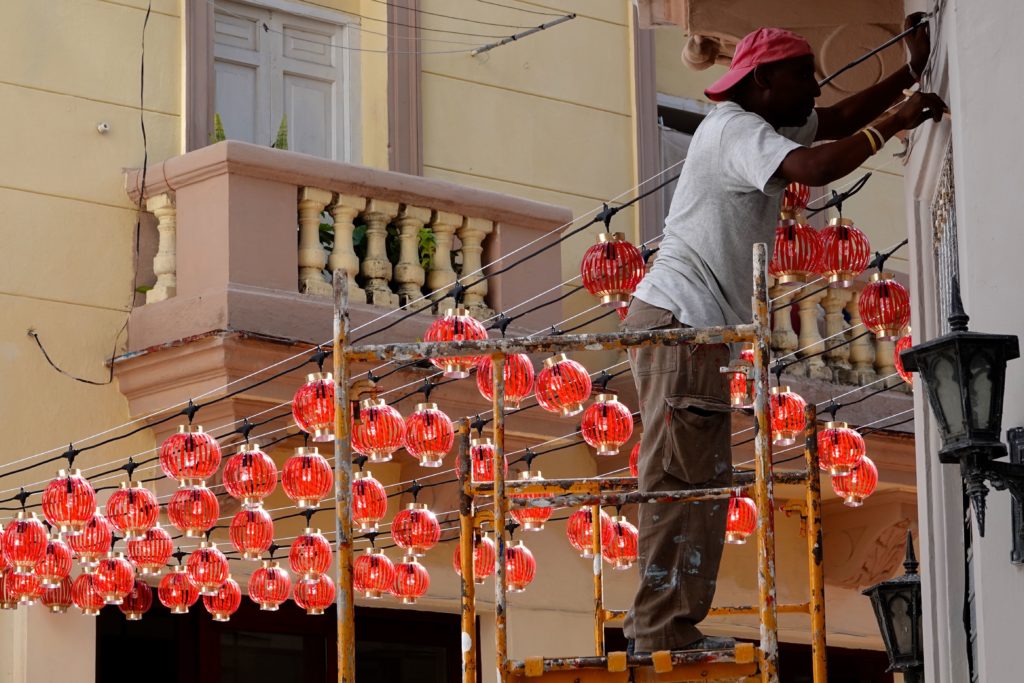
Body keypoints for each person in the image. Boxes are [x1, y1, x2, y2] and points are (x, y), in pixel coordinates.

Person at [621, 15, 946, 654]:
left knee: (703, 487)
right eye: (805, 76)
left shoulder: (756, 121)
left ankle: (670, 628)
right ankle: (659, 632)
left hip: (687, 328)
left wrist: (907, 72)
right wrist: (900, 120)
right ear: (763, 80)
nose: (816, 88)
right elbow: (818, 160)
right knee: (685, 486)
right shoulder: (737, 130)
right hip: (681, 326)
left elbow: (832, 123)